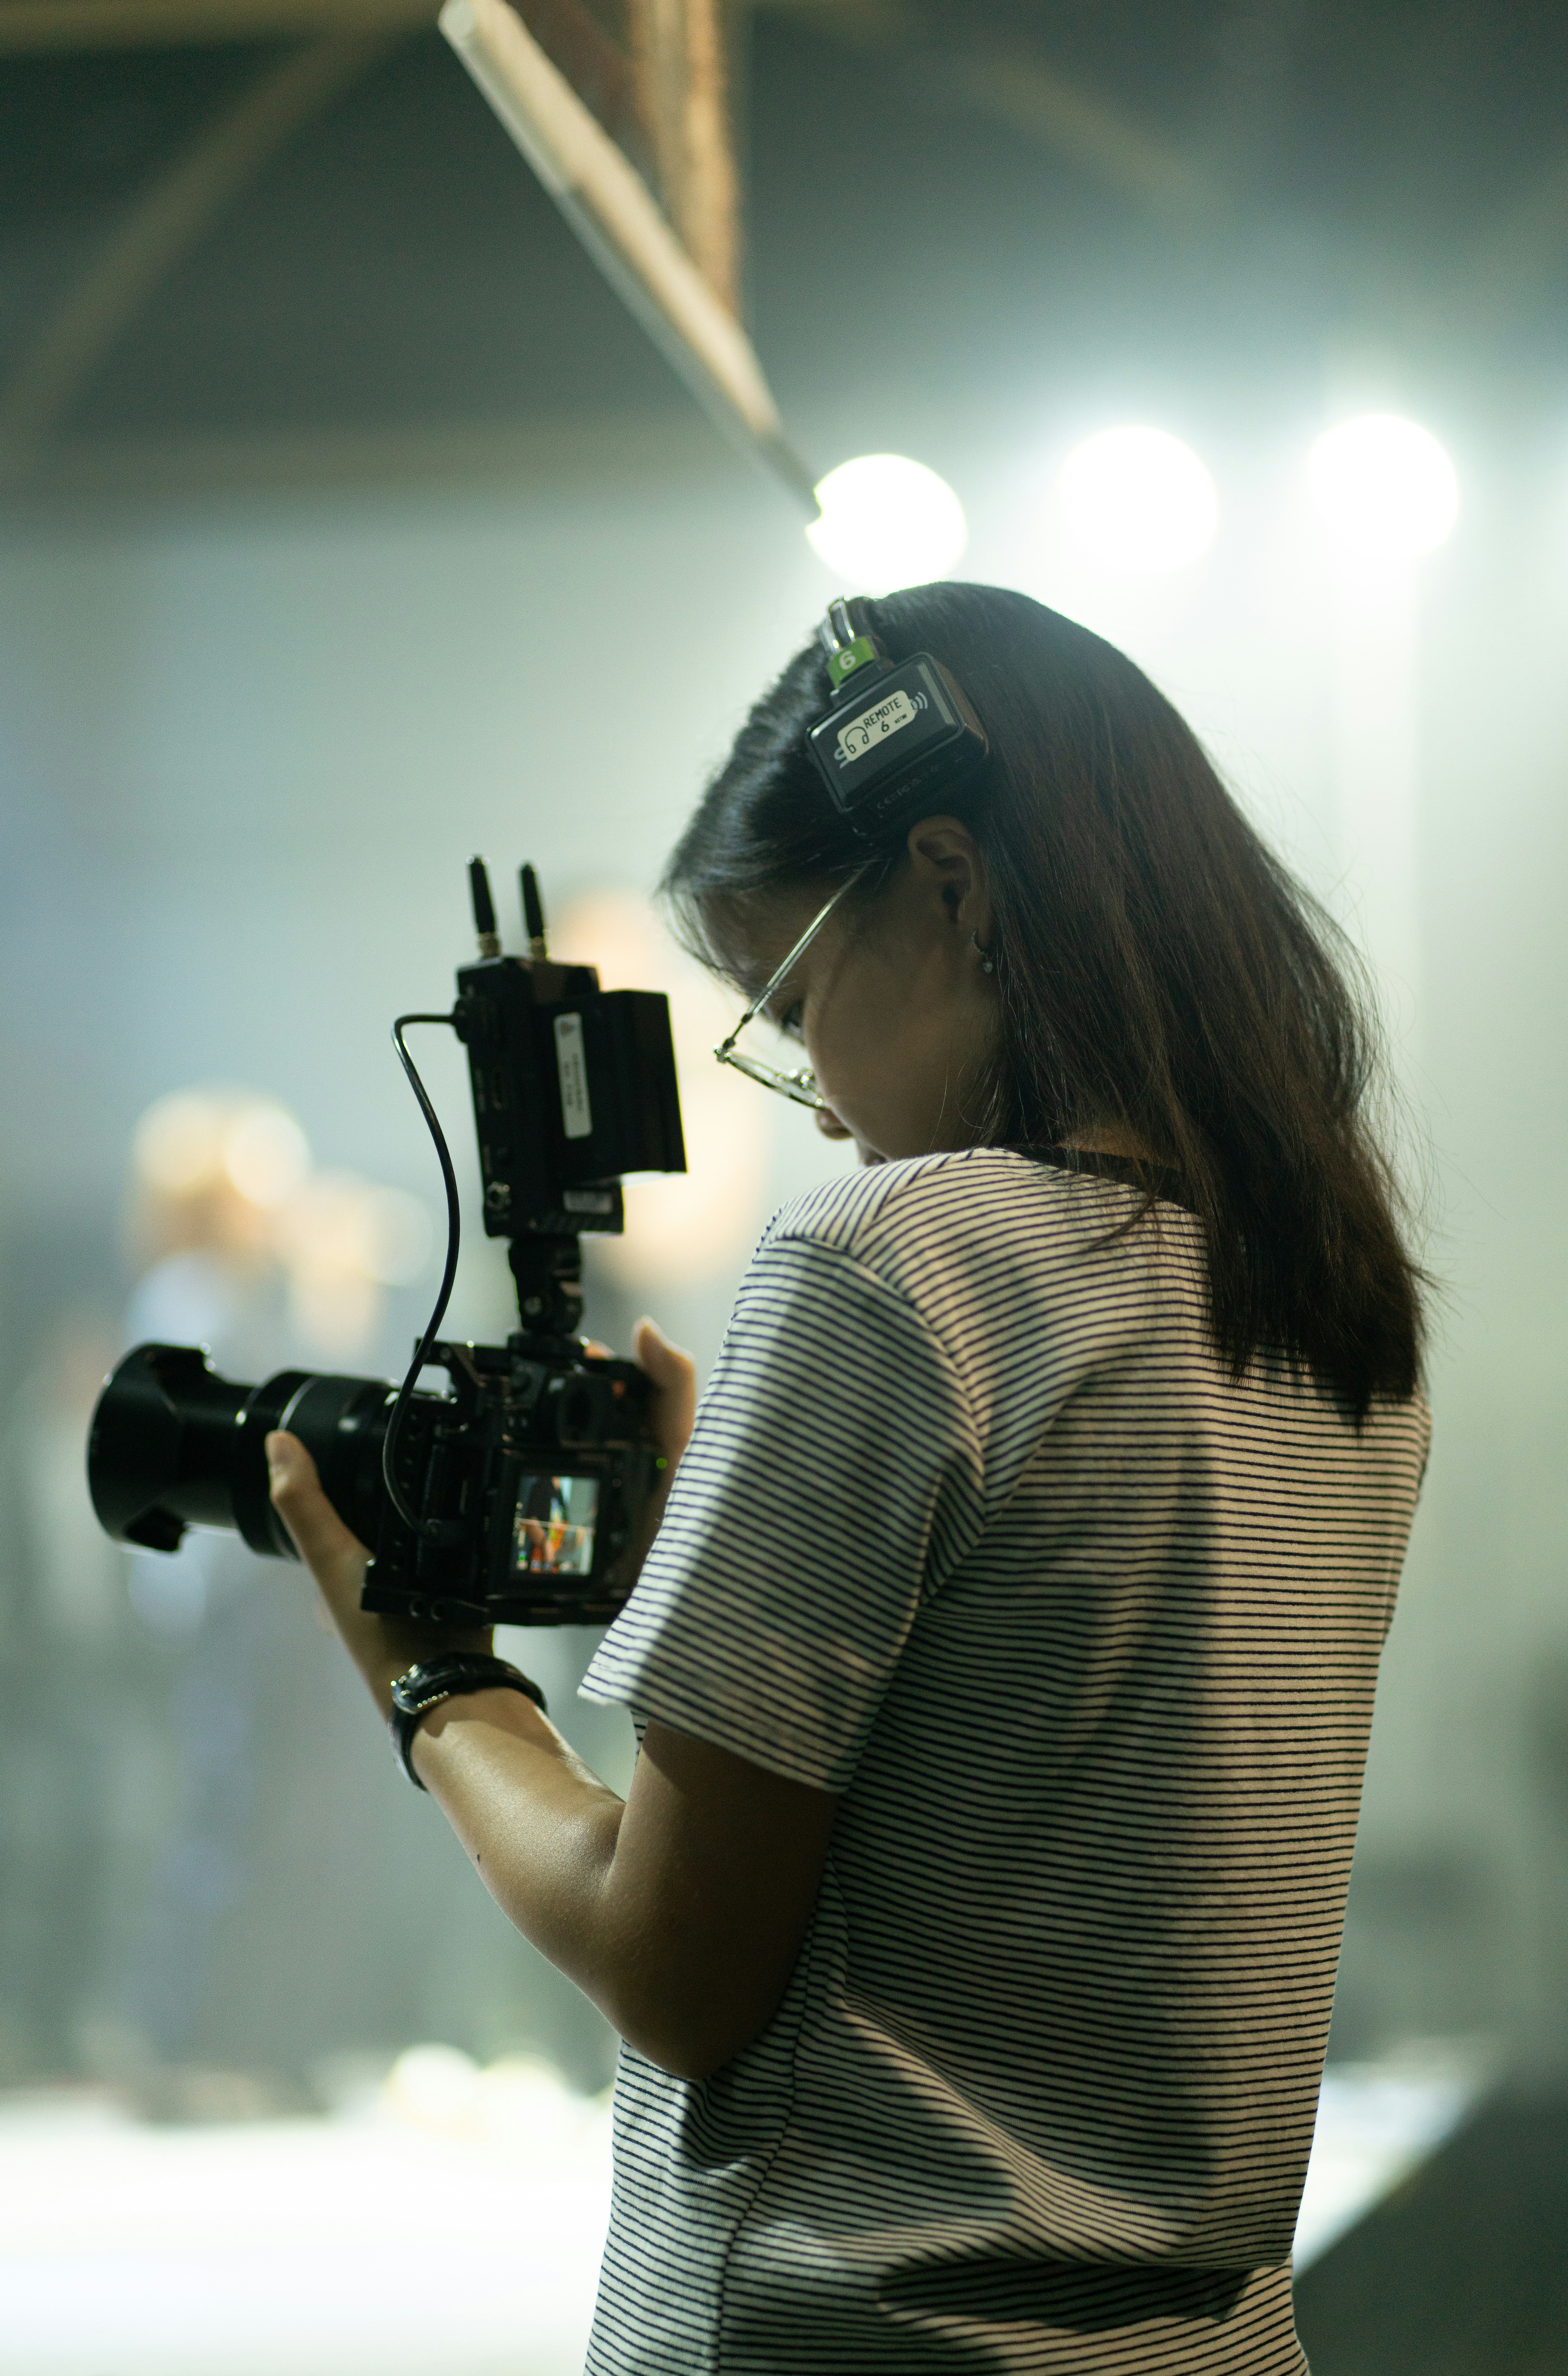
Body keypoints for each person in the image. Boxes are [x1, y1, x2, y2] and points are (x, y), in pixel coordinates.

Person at [267, 583, 1431, 2374]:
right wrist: (742, 1550)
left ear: (952, 884)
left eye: (794, 1003)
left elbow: (673, 1968)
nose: (808, 1092)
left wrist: (434, 1678)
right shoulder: (1329, 1310)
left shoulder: (894, 1261)